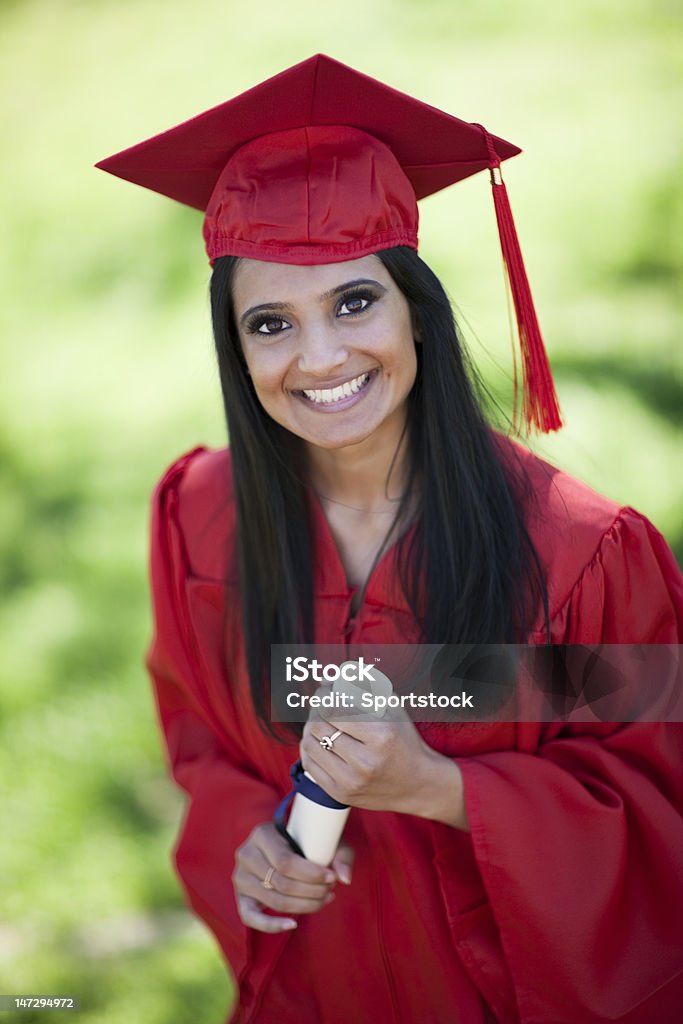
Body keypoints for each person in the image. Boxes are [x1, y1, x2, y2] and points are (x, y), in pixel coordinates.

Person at [97, 55, 683, 1023]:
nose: (319, 357)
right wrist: (251, 840)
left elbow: (657, 803)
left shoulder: (577, 558)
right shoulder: (201, 525)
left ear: (417, 307)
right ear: (235, 349)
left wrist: (443, 787)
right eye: (270, 322)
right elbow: (201, 746)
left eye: (354, 301)